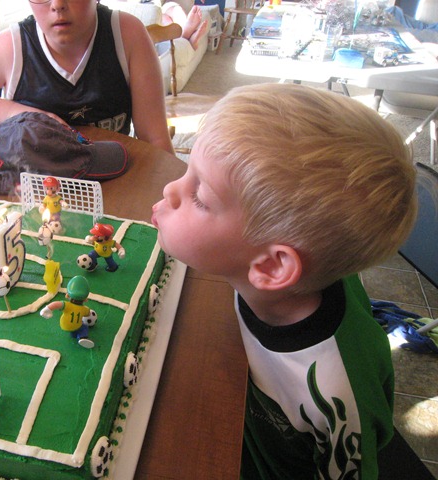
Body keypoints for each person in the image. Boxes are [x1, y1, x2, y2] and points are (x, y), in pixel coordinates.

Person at [151, 83, 418, 479]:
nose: (171, 189)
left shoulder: (335, 392)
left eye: (200, 196)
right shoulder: (263, 275)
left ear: (273, 267)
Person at [0, 0, 175, 154]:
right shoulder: (11, 48)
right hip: (37, 189)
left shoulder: (127, 34)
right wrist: (16, 112)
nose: (57, 4)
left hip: (116, 175)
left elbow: (155, 140)